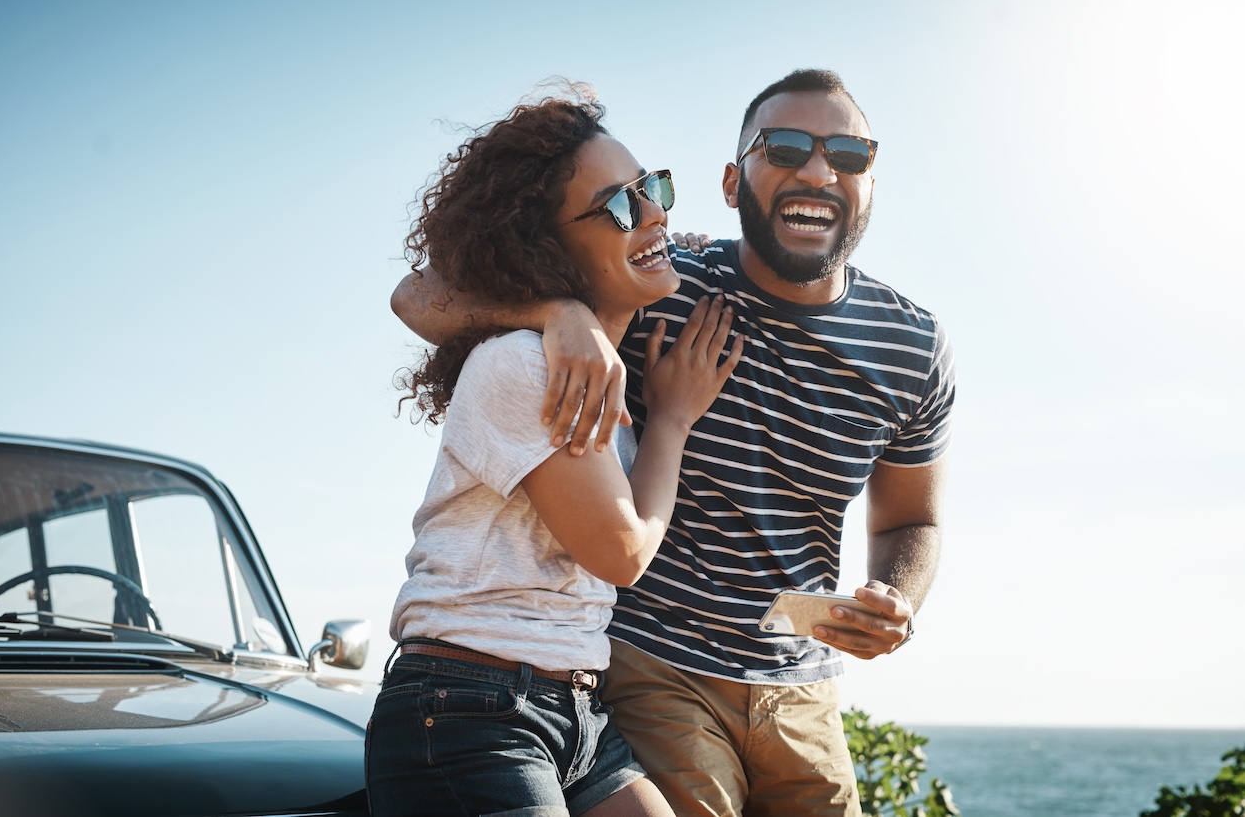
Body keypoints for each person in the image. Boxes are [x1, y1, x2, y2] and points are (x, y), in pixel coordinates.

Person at [391, 69, 955, 817]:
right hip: (651, 665)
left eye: (848, 155)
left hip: (801, 684)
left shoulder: (913, 346)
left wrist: (897, 598)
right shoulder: (659, 280)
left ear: (872, 182)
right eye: (784, 146)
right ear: (733, 181)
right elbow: (421, 295)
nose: (818, 170)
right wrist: (558, 310)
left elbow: (912, 520)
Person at [367, 86, 742, 817]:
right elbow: (622, 553)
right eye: (622, 205)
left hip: (572, 711)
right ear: (547, 245)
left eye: (654, 187)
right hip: (469, 711)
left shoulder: (592, 362)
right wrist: (671, 420)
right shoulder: (524, 365)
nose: (656, 212)